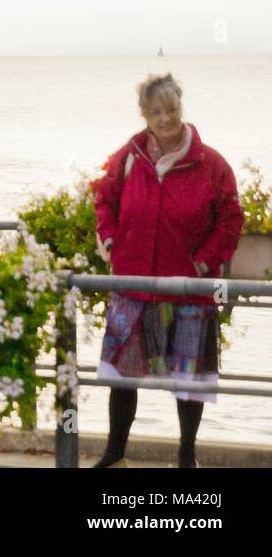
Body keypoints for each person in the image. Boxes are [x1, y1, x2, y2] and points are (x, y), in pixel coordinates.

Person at [92, 73, 243, 468]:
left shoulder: (212, 164)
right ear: (144, 114)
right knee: (121, 377)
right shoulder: (127, 158)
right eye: (156, 111)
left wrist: (202, 262)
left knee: (188, 380)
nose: (165, 118)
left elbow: (230, 220)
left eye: (171, 109)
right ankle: (114, 454)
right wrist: (109, 240)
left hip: (187, 288)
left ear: (181, 106)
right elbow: (104, 200)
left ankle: (186, 456)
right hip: (132, 284)